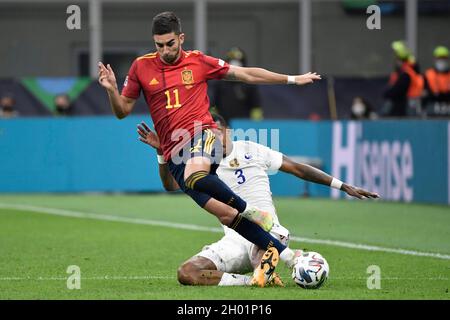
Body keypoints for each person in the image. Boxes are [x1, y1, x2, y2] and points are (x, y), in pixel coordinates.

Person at [98, 11, 322, 287]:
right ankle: (278, 263)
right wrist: (110, 90)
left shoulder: (198, 61)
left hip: (202, 134)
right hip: (175, 153)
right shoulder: (140, 68)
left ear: (181, 38)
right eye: (159, 45)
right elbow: (122, 111)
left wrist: (291, 79)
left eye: (170, 43)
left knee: (196, 176)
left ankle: (251, 210)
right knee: (227, 215)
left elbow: (245, 74)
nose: (165, 50)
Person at [136, 113, 380, 287]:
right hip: (234, 240)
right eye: (205, 135)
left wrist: (342, 185)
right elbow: (170, 185)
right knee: (187, 273)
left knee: (268, 242)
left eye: (215, 132)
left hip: (267, 231)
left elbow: (296, 168)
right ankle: (251, 280)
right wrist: (161, 152)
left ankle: (268, 263)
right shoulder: (198, 165)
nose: (211, 139)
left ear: (227, 131)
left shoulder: (250, 149)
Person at [210, 47, 263, 123]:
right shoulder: (219, 83)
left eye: (238, 61)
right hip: (224, 124)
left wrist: (256, 124)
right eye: (232, 60)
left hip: (244, 127)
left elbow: (256, 107)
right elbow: (213, 105)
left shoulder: (249, 84)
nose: (235, 64)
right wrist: (214, 120)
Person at [383, 40, 424, 117]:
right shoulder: (404, 72)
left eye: (397, 58)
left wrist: (387, 93)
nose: (395, 61)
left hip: (407, 109)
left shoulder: (406, 74)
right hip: (406, 107)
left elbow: (398, 91)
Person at [424, 46, 450, 116]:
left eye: (444, 58)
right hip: (432, 111)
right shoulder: (428, 74)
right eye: (439, 58)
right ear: (435, 59)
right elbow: (426, 94)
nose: (442, 61)